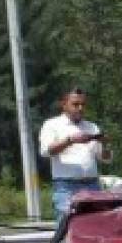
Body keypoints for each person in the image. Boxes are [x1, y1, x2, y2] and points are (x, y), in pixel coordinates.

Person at [38, 87, 111, 221]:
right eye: (75, 104)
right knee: (67, 227)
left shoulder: (92, 127)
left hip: (92, 185)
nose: (80, 108)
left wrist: (105, 143)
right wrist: (70, 140)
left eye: (83, 104)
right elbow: (45, 151)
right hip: (66, 187)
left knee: (96, 225)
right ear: (64, 104)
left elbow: (105, 159)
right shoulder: (52, 125)